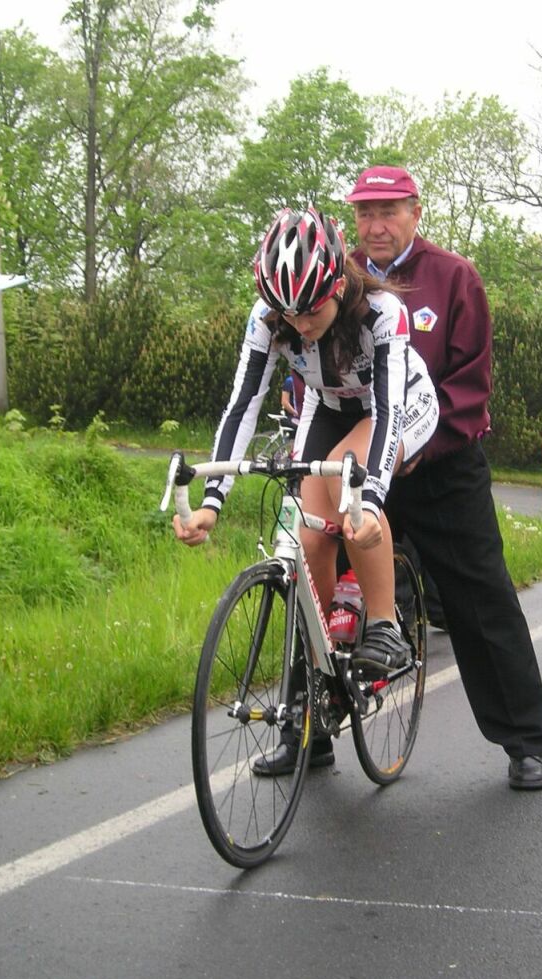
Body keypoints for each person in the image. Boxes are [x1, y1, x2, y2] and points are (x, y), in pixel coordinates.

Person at [173, 205, 439, 774]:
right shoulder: (269, 316)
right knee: (308, 537)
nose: (297, 324)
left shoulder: (382, 312)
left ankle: (384, 624)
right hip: (328, 404)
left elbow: (387, 413)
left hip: (400, 404)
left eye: (310, 310)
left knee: (346, 484)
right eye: (286, 313)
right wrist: (212, 501)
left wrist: (369, 501)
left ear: (338, 284)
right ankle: (320, 695)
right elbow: (242, 406)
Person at [345, 164, 542, 790]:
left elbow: (469, 384)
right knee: (319, 578)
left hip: (440, 466)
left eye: (389, 212)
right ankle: (306, 728)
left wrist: (418, 445)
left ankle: (524, 741)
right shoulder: (340, 276)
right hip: (361, 461)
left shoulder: (454, 276)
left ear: (415, 212)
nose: (376, 226)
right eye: (364, 213)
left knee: (479, 598)